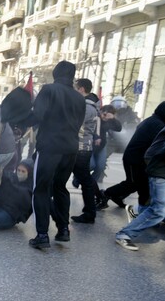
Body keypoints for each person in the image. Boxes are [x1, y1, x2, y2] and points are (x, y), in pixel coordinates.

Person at [29, 60, 85, 249]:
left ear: (55, 73)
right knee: (61, 187)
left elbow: (37, 116)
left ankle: (42, 234)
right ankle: (63, 230)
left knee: (42, 189)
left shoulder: (49, 89)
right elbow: (78, 123)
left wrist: (19, 119)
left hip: (49, 148)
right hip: (70, 149)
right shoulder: (79, 97)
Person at [100, 101, 165, 211]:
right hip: (135, 159)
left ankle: (119, 196)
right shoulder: (158, 125)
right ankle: (106, 194)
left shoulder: (151, 120)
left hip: (135, 158)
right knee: (134, 183)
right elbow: (160, 146)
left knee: (137, 183)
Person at [115, 120, 165, 251]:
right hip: (161, 172)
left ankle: (137, 211)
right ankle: (124, 234)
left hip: (164, 171)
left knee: (160, 209)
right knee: (158, 211)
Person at [70, 79, 100, 224]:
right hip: (82, 147)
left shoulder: (86, 107)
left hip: (80, 148)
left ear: (81, 89)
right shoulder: (90, 106)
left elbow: (72, 125)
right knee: (85, 179)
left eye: (75, 88)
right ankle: (92, 209)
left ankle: (90, 213)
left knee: (85, 180)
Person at [93, 105, 122, 209]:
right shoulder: (95, 117)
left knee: (100, 167)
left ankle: (91, 185)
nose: (105, 115)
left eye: (108, 113)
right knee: (91, 165)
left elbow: (119, 128)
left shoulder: (109, 121)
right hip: (91, 146)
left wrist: (112, 118)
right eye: (104, 112)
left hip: (101, 147)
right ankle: (80, 179)